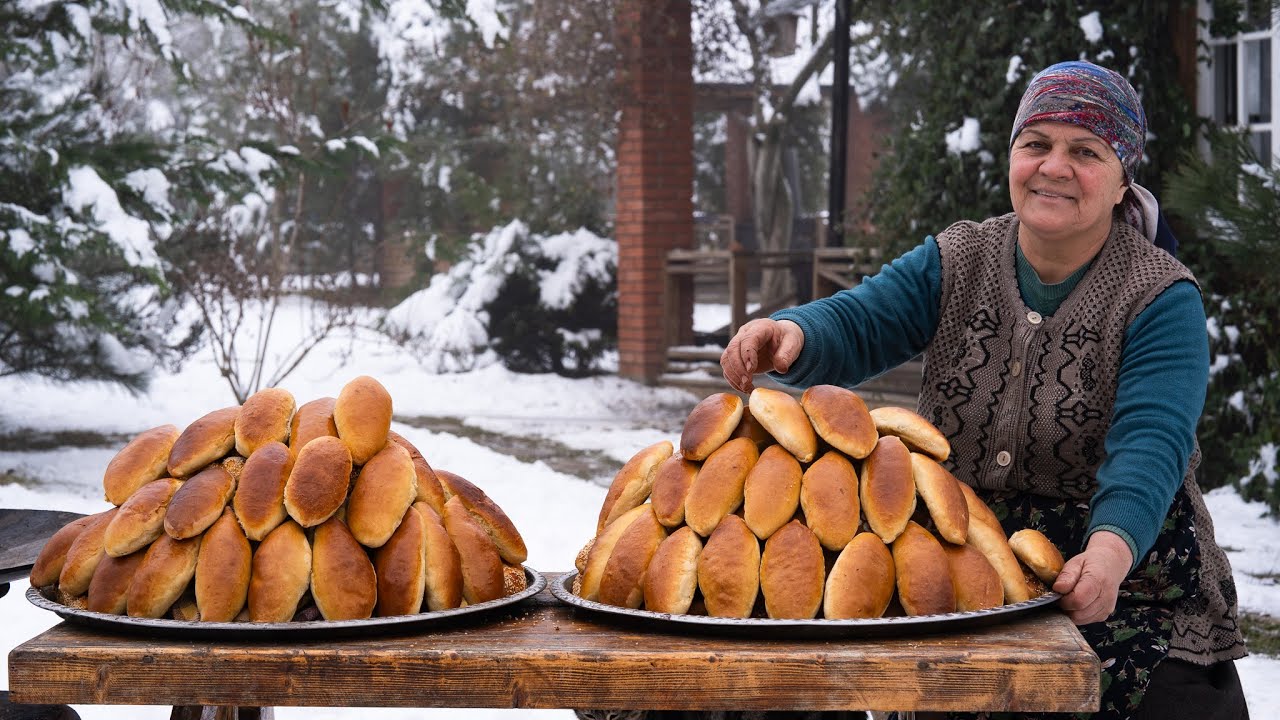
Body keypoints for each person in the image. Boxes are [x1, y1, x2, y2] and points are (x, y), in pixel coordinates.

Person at [720, 61, 1248, 720]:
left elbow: (1151, 444)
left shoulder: (1160, 296)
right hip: (964, 570)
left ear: (1121, 180)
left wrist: (1110, 551)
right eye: (1037, 145)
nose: (1054, 166)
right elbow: (866, 317)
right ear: (1012, 158)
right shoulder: (960, 257)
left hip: (1127, 582)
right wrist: (794, 335)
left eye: (1084, 152)